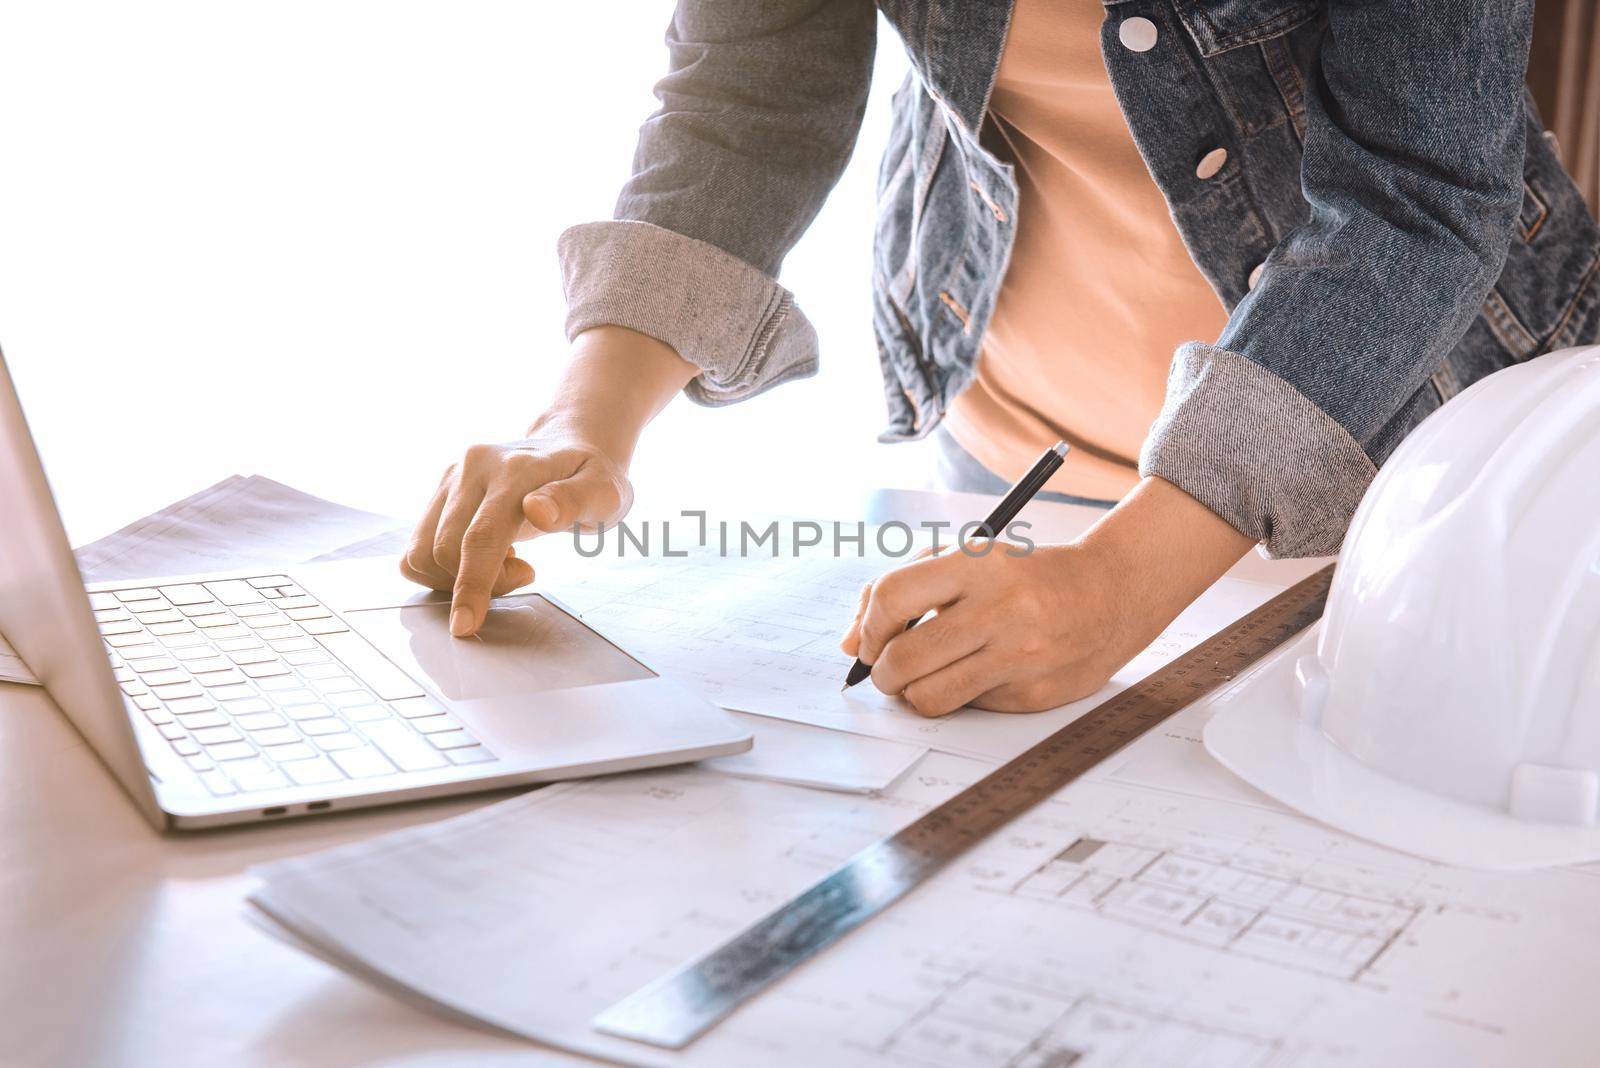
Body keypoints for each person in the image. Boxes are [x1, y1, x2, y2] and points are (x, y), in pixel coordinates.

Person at [401, 0, 1600, 716]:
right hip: (1010, 449)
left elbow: (1418, 194)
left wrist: (1117, 586)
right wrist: (583, 423)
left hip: (1413, 461)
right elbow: (746, 99)